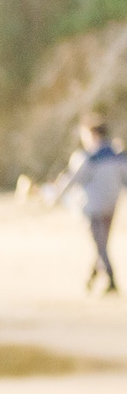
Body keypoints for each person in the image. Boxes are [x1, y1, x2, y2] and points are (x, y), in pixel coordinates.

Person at [44, 115, 124, 294]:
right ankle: (92, 277)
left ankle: (111, 281)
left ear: (93, 134)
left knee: (100, 245)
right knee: (102, 244)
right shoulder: (117, 155)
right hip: (111, 205)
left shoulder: (87, 157)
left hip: (93, 206)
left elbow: (72, 180)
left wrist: (55, 197)